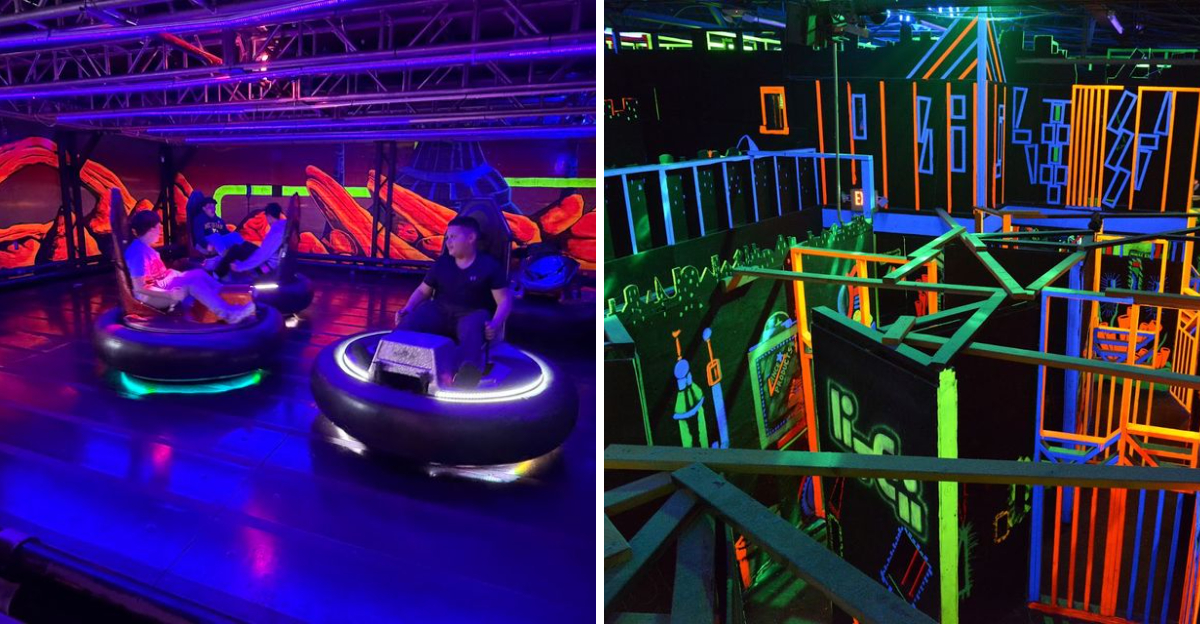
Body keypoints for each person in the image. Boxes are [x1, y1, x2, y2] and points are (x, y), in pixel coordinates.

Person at [394, 216, 512, 387]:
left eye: (453, 237)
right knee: (416, 316)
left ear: (471, 238)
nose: (448, 242)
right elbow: (423, 290)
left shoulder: (489, 266)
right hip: (441, 310)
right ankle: (387, 356)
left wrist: (495, 323)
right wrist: (408, 308)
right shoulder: (443, 263)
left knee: (473, 326)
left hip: (472, 312)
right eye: (447, 237)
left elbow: (504, 300)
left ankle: (467, 374)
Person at [125, 210, 256, 323]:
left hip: (161, 285)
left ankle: (224, 297)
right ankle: (229, 314)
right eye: (158, 227)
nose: (160, 230)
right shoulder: (137, 253)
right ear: (151, 229)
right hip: (151, 298)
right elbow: (139, 288)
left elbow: (158, 274)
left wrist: (174, 274)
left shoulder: (145, 248)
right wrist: (170, 295)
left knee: (198, 273)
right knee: (192, 284)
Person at [224, 202, 286, 279]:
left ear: (269, 216)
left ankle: (220, 277)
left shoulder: (276, 232)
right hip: (272, 262)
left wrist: (240, 267)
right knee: (245, 247)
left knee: (236, 252)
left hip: (269, 267)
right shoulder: (283, 226)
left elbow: (262, 255)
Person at [188, 190, 244, 259]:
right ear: (204, 208)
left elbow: (225, 233)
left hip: (218, 241)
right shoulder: (199, 219)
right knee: (215, 236)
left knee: (235, 235)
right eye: (210, 207)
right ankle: (225, 258)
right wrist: (206, 245)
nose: (213, 209)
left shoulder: (219, 220)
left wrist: (232, 237)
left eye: (214, 207)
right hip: (204, 243)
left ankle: (245, 255)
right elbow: (199, 236)